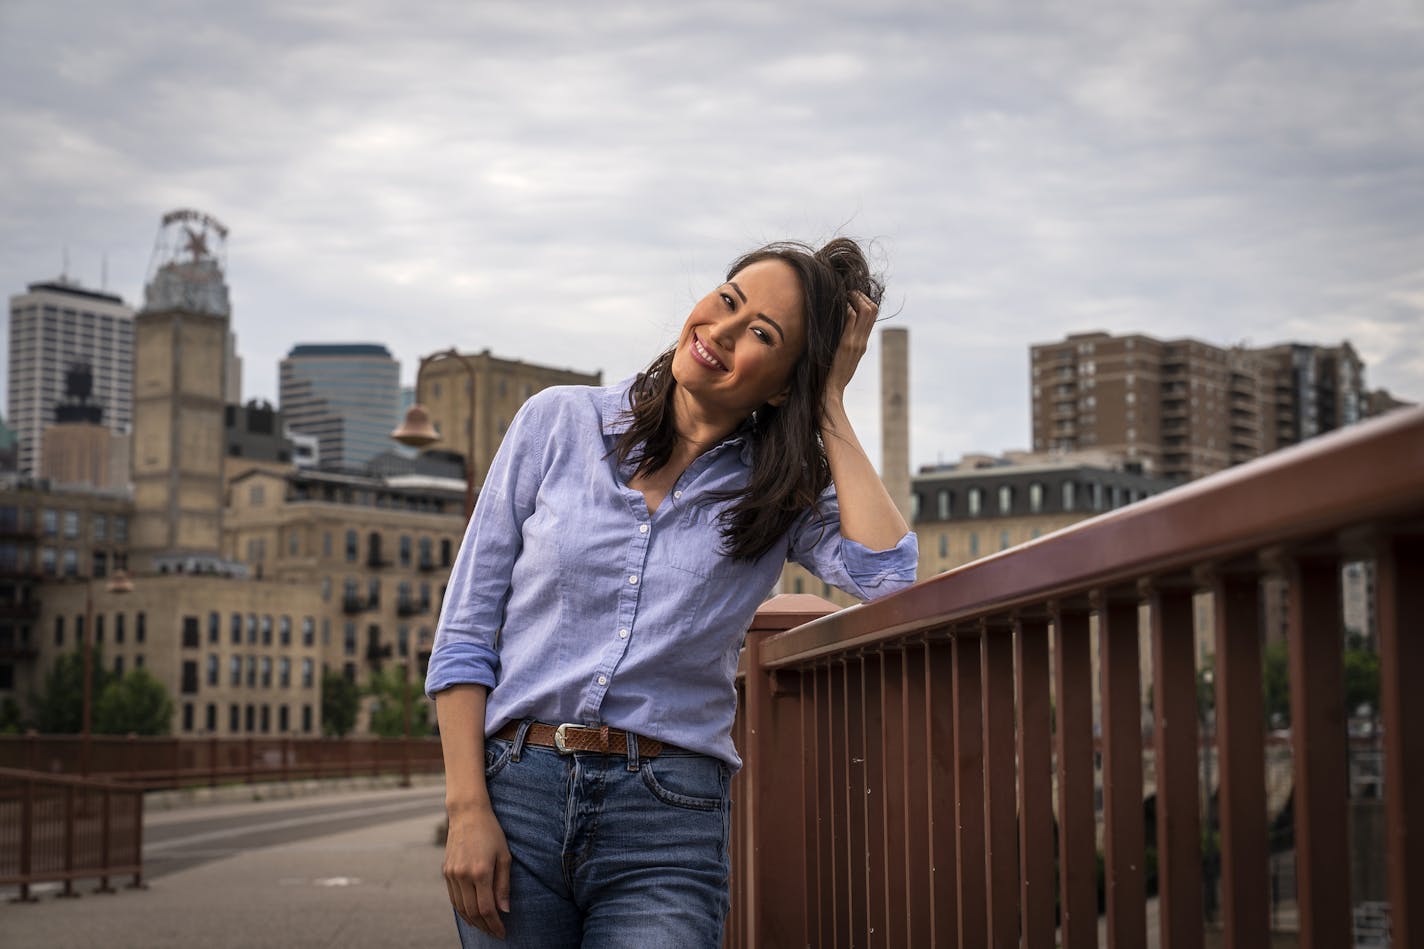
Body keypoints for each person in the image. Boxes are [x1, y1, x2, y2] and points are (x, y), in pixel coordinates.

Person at [424, 237, 918, 947]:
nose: (720, 330)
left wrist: (830, 401)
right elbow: (466, 630)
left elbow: (889, 576)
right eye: (728, 301)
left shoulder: (777, 492)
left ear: (783, 384)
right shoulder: (557, 423)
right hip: (515, 798)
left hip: (666, 823)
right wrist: (467, 808)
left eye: (760, 333)